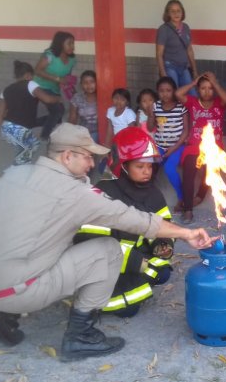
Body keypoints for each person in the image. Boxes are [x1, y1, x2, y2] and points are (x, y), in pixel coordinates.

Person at [0, 123, 216, 361]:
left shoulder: (14, 173)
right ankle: (81, 336)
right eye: (87, 156)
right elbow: (134, 220)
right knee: (106, 250)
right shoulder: (76, 194)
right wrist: (187, 234)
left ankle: (0, 320)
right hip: (19, 291)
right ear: (67, 156)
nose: (92, 163)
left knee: (49, 238)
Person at [74, 128, 174, 317]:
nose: (147, 172)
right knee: (128, 310)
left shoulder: (152, 192)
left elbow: (164, 223)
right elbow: (94, 245)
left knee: (163, 274)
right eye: (140, 166)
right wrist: (138, 262)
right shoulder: (103, 194)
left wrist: (163, 245)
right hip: (107, 265)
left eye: (150, 166)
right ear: (123, 166)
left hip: (137, 257)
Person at [175, 72, 226, 224]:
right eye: (203, 88)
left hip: (214, 148)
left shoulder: (219, 103)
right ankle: (188, 210)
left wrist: (215, 82)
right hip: (195, 147)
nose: (207, 91)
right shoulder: (192, 102)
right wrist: (193, 83)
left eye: (210, 88)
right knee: (189, 169)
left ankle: (198, 197)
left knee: (211, 169)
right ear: (198, 90)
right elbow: (178, 93)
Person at [0, 60, 61, 165]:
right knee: (23, 157)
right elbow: (47, 99)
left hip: (7, 127)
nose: (33, 79)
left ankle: (18, 168)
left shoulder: (7, 89)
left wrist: (1, 126)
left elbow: (0, 110)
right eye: (32, 76)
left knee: (33, 145)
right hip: (19, 129)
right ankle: (16, 173)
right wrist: (58, 98)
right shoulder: (30, 84)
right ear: (28, 75)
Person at [147, 77, 189, 212]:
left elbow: (186, 131)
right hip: (159, 145)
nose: (165, 94)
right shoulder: (156, 106)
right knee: (147, 166)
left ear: (174, 91)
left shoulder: (181, 107)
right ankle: (145, 197)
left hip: (178, 146)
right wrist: (150, 115)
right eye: (161, 91)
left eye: (168, 90)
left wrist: (173, 148)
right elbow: (150, 127)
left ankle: (181, 198)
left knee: (169, 168)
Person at [34, 31, 77, 139]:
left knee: (59, 114)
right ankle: (44, 137)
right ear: (60, 44)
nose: (73, 46)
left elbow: (67, 76)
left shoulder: (72, 59)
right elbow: (38, 71)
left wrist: (71, 88)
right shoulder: (50, 55)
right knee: (57, 111)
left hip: (55, 89)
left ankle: (31, 123)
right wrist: (57, 79)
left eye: (73, 43)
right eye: (69, 43)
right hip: (40, 87)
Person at [155, 0, 198, 93]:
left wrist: (194, 70)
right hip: (170, 67)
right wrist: (163, 74)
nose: (176, 14)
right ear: (168, 14)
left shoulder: (186, 27)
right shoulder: (164, 29)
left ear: (182, 12)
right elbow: (159, 54)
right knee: (173, 95)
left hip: (184, 68)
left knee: (192, 95)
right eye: (172, 11)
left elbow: (189, 50)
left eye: (178, 11)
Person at [69, 70, 98, 142]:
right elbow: (72, 118)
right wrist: (70, 133)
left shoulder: (102, 96)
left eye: (92, 82)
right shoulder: (77, 97)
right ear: (81, 84)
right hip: (83, 131)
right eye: (85, 83)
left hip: (99, 132)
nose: (89, 85)